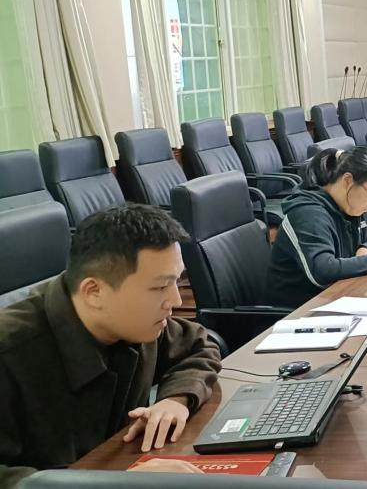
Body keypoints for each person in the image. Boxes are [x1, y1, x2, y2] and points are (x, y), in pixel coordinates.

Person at [0, 204, 222, 486]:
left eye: (177, 281)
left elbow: (200, 345)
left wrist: (176, 399)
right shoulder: (11, 353)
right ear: (94, 292)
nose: (176, 300)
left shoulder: (135, 322)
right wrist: (112, 484)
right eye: (159, 287)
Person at [268, 146, 367, 309]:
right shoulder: (309, 214)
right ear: (348, 180)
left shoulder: (356, 205)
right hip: (298, 311)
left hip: (338, 299)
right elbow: (323, 271)